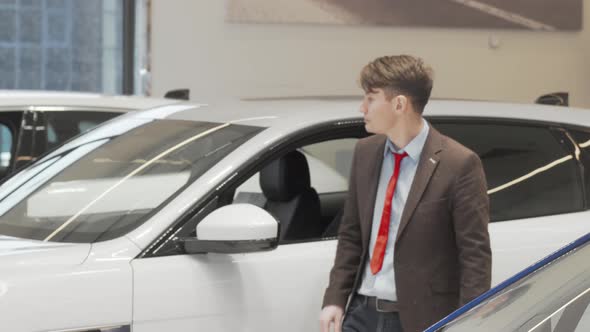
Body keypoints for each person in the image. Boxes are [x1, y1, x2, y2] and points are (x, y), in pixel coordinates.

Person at [319, 55, 491, 332]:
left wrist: (469, 322)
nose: (362, 107)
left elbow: (474, 256)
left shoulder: (458, 163)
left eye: (371, 98)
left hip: (419, 319)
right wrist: (335, 299)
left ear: (399, 104)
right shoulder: (366, 153)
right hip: (361, 313)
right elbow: (351, 234)